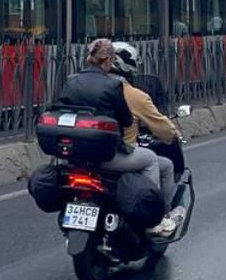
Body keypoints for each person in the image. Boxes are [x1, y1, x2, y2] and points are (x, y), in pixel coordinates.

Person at [55, 38, 179, 237]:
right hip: (110, 155)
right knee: (151, 160)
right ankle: (152, 218)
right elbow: (127, 120)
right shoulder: (122, 91)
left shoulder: (73, 81)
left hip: (77, 155)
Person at [111, 41, 186, 231]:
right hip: (116, 154)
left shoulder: (85, 88)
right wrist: (173, 135)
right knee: (158, 162)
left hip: (82, 155)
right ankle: (154, 216)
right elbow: (163, 127)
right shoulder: (133, 95)